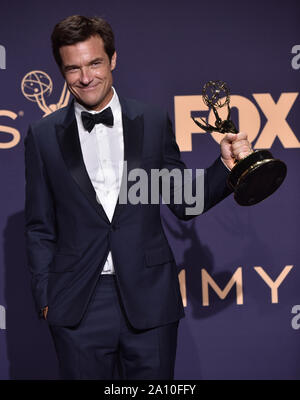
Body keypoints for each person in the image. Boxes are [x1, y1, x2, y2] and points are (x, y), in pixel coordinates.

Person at [24, 15, 252, 380]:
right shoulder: (42, 135)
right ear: (61, 71)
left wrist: (225, 167)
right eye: (73, 68)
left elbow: (182, 200)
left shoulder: (151, 120)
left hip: (149, 299)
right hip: (78, 303)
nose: (86, 77)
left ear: (112, 59)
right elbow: (39, 226)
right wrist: (47, 299)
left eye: (95, 63)